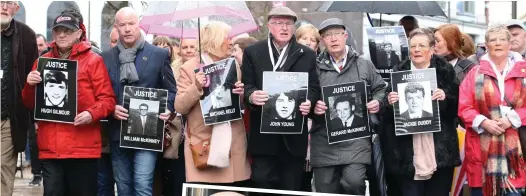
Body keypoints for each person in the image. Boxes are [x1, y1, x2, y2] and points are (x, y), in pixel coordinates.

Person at [22, 13, 116, 196]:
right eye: (58, 31)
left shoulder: (93, 60)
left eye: (67, 31)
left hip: (82, 148)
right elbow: (28, 102)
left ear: (78, 34)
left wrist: (91, 113)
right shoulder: (42, 61)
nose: (62, 35)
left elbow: (108, 100)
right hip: (51, 147)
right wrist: (29, 85)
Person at [242, 6, 320, 192]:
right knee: (261, 182)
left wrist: (309, 101)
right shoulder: (253, 52)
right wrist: (251, 95)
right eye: (278, 23)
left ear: (294, 27)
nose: (284, 28)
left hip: (293, 136)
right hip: (263, 134)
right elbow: (247, 86)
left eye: (288, 23)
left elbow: (314, 88)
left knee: (290, 187)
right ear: (269, 25)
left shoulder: (307, 54)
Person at [101, 7, 177, 196]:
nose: (127, 29)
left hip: (148, 133)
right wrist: (111, 109)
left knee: (143, 184)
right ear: (116, 27)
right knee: (124, 187)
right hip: (118, 133)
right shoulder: (105, 58)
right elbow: (100, 94)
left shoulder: (158, 55)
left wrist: (167, 107)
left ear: (139, 25)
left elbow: (171, 91)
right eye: (122, 25)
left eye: (131, 24)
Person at [380, 28, 460, 196]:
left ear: (432, 49)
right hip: (407, 152)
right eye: (413, 46)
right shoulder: (398, 71)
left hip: (438, 148)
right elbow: (384, 112)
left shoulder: (445, 71)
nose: (416, 50)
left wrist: (445, 97)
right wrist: (389, 102)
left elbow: (458, 106)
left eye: (422, 45)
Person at [311, 18, 386, 195]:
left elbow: (381, 88)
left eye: (337, 34)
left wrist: (378, 101)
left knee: (354, 183)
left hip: (356, 140)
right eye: (327, 35)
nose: (333, 39)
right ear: (322, 40)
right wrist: (314, 106)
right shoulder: (314, 67)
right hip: (324, 139)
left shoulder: (363, 64)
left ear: (345, 36)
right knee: (326, 190)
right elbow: (305, 96)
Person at [175, 21, 250, 186]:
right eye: (227, 38)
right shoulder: (189, 68)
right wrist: (196, 87)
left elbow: (239, 103)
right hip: (205, 145)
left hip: (233, 143)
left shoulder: (233, 65)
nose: (231, 42)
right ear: (214, 40)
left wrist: (240, 92)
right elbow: (179, 106)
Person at [458, 24, 526, 196]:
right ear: (486, 45)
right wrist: (484, 122)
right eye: (493, 40)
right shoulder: (474, 73)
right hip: (482, 154)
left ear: (510, 44)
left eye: (502, 39)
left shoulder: (523, 72)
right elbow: (464, 107)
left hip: (515, 154)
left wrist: (511, 119)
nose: (497, 43)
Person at [1, 1, 39, 195]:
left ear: (16, 8)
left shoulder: (26, 36)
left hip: (9, 118)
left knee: (3, 170)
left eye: (9, 2)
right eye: (0, 2)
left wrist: (35, 118)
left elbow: (34, 81)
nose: (3, 7)